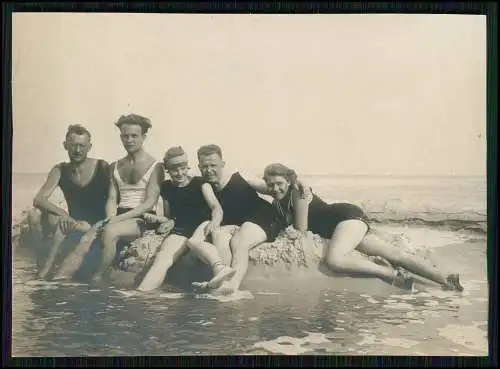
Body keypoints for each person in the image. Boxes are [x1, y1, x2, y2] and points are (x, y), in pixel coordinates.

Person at [262, 163, 464, 291]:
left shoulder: (298, 193)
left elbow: (302, 229)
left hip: (343, 219)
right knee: (394, 254)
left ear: (288, 181)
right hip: (341, 226)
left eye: (279, 183)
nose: (275, 188)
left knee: (335, 260)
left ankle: (388, 274)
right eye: (270, 185)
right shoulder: (278, 201)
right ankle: (445, 279)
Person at [136, 146, 236, 292]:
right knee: (163, 258)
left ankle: (220, 269)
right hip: (180, 230)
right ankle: (142, 292)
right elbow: (169, 216)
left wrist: (215, 222)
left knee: (194, 241)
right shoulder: (166, 187)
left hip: (203, 224)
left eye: (183, 168)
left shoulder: (201, 183)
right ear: (168, 171)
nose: (179, 173)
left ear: (187, 167)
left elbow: (216, 207)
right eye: (175, 170)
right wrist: (159, 219)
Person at [196, 144, 289, 295]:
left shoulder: (240, 176)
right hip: (240, 225)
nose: (209, 170)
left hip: (264, 215)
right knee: (219, 237)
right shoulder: (206, 188)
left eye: (213, 165)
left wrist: (298, 183)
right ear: (199, 167)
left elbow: (274, 188)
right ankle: (222, 282)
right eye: (205, 166)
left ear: (222, 164)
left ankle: (233, 285)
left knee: (239, 242)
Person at [27, 124, 110, 280]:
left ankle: (46, 271)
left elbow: (115, 198)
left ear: (89, 147)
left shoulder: (102, 167)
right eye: (73, 145)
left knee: (61, 227)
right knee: (34, 214)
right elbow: (39, 198)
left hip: (95, 224)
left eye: (82, 146)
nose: (77, 150)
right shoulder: (61, 169)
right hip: (73, 221)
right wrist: (63, 213)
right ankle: (41, 264)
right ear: (65, 146)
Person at [90, 114, 164, 283]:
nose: (129, 140)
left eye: (134, 136)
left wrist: (115, 220)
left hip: (142, 219)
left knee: (110, 231)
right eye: (125, 136)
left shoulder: (155, 166)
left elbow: (149, 203)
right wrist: (110, 217)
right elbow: (112, 197)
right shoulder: (114, 166)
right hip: (119, 215)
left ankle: (97, 279)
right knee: (88, 235)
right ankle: (57, 281)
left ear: (144, 137)